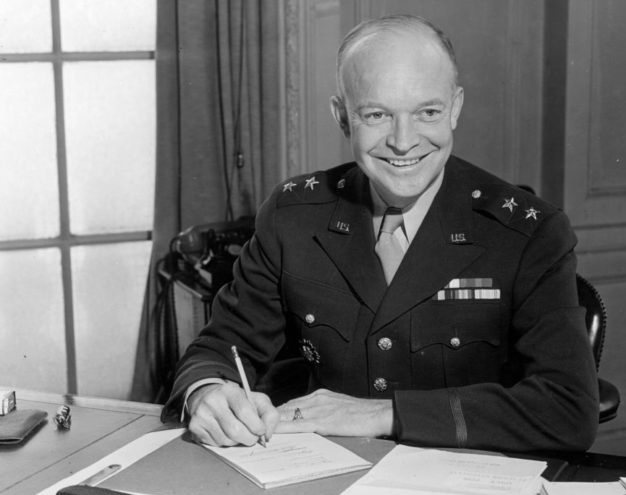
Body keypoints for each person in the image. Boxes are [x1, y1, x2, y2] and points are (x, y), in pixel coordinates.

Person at [163, 14, 599, 452]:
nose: (404, 141)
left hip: (463, 488)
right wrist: (207, 392)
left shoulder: (526, 231)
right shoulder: (294, 215)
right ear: (342, 117)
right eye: (377, 114)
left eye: (428, 112)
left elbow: (568, 410)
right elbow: (220, 348)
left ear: (456, 108)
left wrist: (382, 413)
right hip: (324, 479)